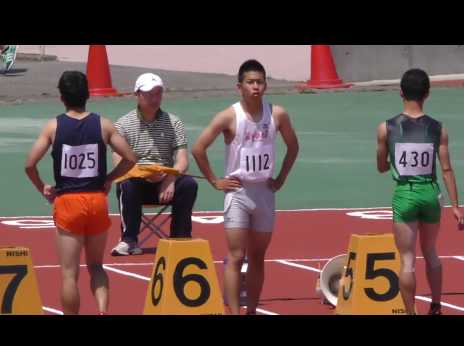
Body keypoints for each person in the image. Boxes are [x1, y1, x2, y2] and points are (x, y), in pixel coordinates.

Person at [192, 59, 299, 315]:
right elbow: (198, 148)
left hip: (264, 191)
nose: (256, 87)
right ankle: (234, 311)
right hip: (238, 192)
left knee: (258, 257)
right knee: (236, 256)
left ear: (266, 85)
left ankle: (251, 310)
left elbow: (293, 147)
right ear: (239, 87)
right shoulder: (229, 116)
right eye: (250, 82)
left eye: (260, 82)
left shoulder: (277, 114)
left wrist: (281, 178)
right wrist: (215, 181)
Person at [25, 71, 137, 314]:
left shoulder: (54, 126)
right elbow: (130, 158)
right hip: (97, 201)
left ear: (62, 97)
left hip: (68, 203)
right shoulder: (103, 124)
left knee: (69, 273)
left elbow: (29, 165)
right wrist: (109, 178)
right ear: (87, 95)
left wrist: (43, 187)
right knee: (96, 266)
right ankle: (103, 311)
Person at [376, 68, 464, 315]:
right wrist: (456, 206)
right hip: (430, 193)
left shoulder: (386, 128)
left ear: (400, 92)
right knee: (431, 252)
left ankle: (410, 312)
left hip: (405, 193)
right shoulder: (438, 129)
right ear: (427, 94)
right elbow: (446, 169)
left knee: (407, 259)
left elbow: (381, 167)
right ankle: (436, 306)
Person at [111, 73, 198, 256]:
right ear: (137, 94)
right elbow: (118, 163)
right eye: (149, 94)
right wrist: (143, 174)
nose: (154, 98)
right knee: (125, 185)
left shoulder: (173, 122)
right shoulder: (123, 125)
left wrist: (171, 178)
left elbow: (183, 159)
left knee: (189, 184)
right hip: (137, 182)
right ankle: (129, 240)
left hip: (165, 183)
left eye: (158, 93)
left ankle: (179, 239)